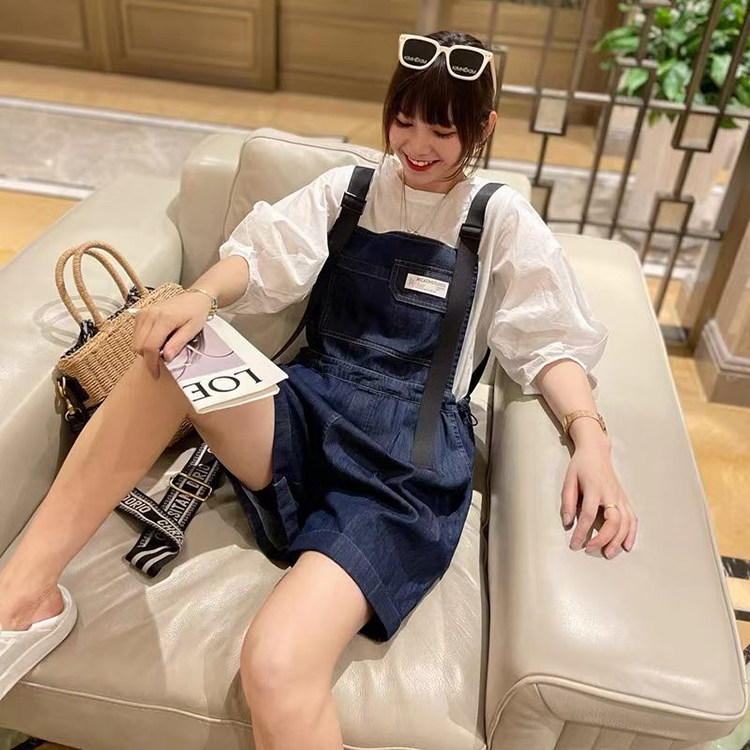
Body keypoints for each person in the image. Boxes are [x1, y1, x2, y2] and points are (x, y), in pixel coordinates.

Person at [0, 29, 637, 749]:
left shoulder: (497, 218)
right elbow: (261, 257)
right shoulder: (351, 190)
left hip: (401, 468)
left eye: (442, 130)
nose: (416, 145)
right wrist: (198, 296)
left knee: (276, 665)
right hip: (307, 414)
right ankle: (22, 600)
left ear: (483, 128)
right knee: (174, 355)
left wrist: (589, 438)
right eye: (404, 120)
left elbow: (549, 340)